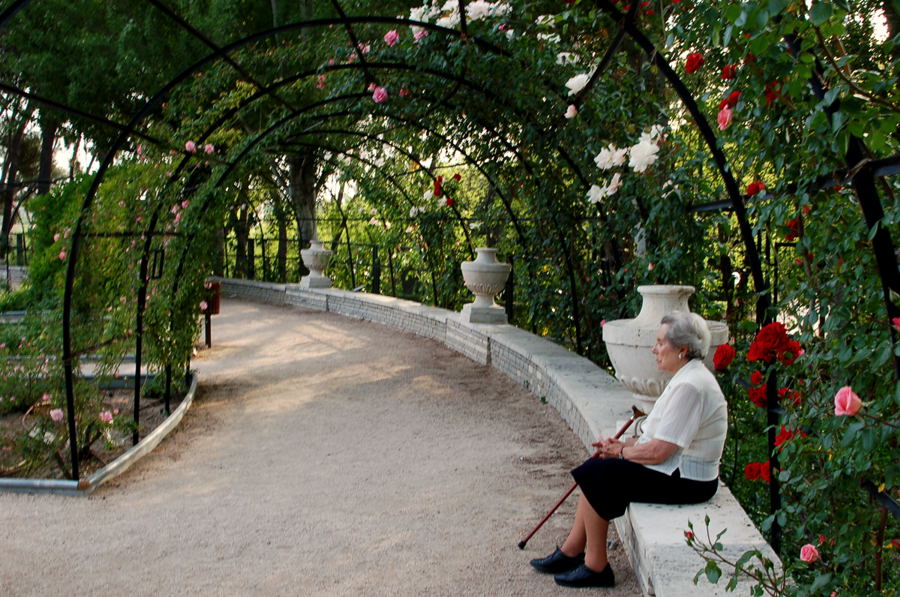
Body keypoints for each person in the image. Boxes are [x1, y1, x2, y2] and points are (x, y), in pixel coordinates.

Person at [529, 311, 728, 588]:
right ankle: (572, 551)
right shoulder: (686, 377)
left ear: (682, 349)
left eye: (660, 343)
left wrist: (620, 453)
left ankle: (595, 565)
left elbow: (660, 451)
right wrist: (620, 445)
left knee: (600, 472)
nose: (654, 349)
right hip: (677, 470)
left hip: (689, 480)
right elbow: (656, 437)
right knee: (597, 467)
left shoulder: (691, 386)